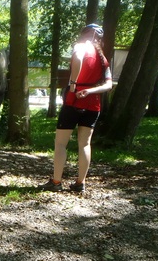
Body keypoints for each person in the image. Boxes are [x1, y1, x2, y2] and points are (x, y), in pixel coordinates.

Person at [42, 23, 112, 193]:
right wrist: (90, 91)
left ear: (85, 34)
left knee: (60, 144)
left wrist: (74, 83)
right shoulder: (103, 59)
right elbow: (109, 85)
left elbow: (79, 58)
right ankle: (80, 183)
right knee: (85, 144)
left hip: (74, 100)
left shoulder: (80, 47)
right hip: (93, 103)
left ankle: (56, 182)